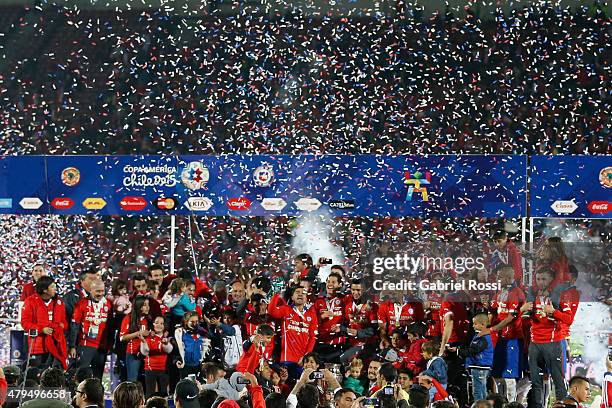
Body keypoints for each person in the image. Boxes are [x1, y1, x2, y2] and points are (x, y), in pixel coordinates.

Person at [520, 268, 569, 408]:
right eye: (538, 279)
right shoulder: (531, 297)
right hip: (535, 344)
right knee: (535, 380)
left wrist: (554, 312)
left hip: (552, 343)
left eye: (544, 279)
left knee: (557, 379)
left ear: (551, 280)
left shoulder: (559, 297)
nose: (541, 282)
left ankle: (562, 404)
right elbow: (520, 320)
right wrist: (522, 310)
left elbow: (569, 319)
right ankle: (537, 406)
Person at [489, 265, 525, 402]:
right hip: (501, 338)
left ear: (509, 277)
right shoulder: (499, 292)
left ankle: (511, 403)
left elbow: (511, 318)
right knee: (497, 373)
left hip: (513, 338)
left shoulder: (517, 293)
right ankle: (500, 402)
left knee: (509, 375)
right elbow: (493, 310)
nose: (497, 279)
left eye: (500, 276)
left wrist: (494, 328)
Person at [267, 286, 318, 380]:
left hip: (302, 361)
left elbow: (312, 338)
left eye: (303, 293)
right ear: (292, 297)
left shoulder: (311, 315)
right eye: (297, 292)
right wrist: (276, 294)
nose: (300, 294)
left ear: (306, 297)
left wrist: (305, 357)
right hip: (287, 359)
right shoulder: (286, 309)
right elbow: (272, 311)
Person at [21, 276, 68, 369]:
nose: (55, 289)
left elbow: (64, 322)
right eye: (53, 287)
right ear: (45, 290)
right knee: (37, 374)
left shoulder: (59, 302)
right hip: (37, 346)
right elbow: (25, 323)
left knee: (54, 375)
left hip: (56, 344)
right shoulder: (30, 301)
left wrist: (62, 326)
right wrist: (42, 329)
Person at [69, 279, 113, 378]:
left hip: (102, 346)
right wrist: (72, 346)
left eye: (102, 291)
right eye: (98, 291)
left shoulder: (108, 304)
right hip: (86, 344)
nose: (100, 294)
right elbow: (74, 325)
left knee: (98, 376)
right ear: (91, 290)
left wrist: (110, 344)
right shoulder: (82, 304)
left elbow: (110, 326)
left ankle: (96, 393)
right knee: (81, 375)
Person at [452, 313, 494, 402]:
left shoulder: (483, 337)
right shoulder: (481, 336)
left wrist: (458, 351)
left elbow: (473, 350)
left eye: (475, 323)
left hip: (480, 366)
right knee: (482, 390)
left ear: (483, 324)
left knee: (478, 391)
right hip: (481, 366)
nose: (473, 326)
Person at [313, 272, 346, 363]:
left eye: (333, 282)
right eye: (328, 282)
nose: (330, 284)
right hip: (319, 345)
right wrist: (321, 317)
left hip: (336, 346)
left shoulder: (344, 300)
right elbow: (310, 321)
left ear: (340, 285)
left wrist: (341, 329)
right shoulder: (318, 301)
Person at [141, 315, 173, 398]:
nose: (159, 325)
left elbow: (169, 350)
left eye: (162, 323)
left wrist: (166, 344)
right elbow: (145, 352)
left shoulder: (167, 338)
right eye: (157, 322)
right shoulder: (148, 337)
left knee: (164, 394)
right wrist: (144, 342)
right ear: (153, 324)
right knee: (150, 394)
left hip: (163, 370)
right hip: (150, 369)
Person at [119, 295, 151, 381]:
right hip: (133, 354)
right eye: (145, 305)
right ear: (138, 306)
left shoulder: (148, 319)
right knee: (132, 381)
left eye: (148, 304)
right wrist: (138, 333)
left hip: (146, 354)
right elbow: (122, 337)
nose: (148, 307)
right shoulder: (128, 318)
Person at [174, 311, 211, 379]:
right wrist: (177, 360)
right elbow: (176, 349)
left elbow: (207, 348)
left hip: (198, 366)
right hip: (185, 366)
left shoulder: (202, 332)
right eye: (192, 322)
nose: (195, 324)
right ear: (186, 322)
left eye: (197, 321)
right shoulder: (180, 333)